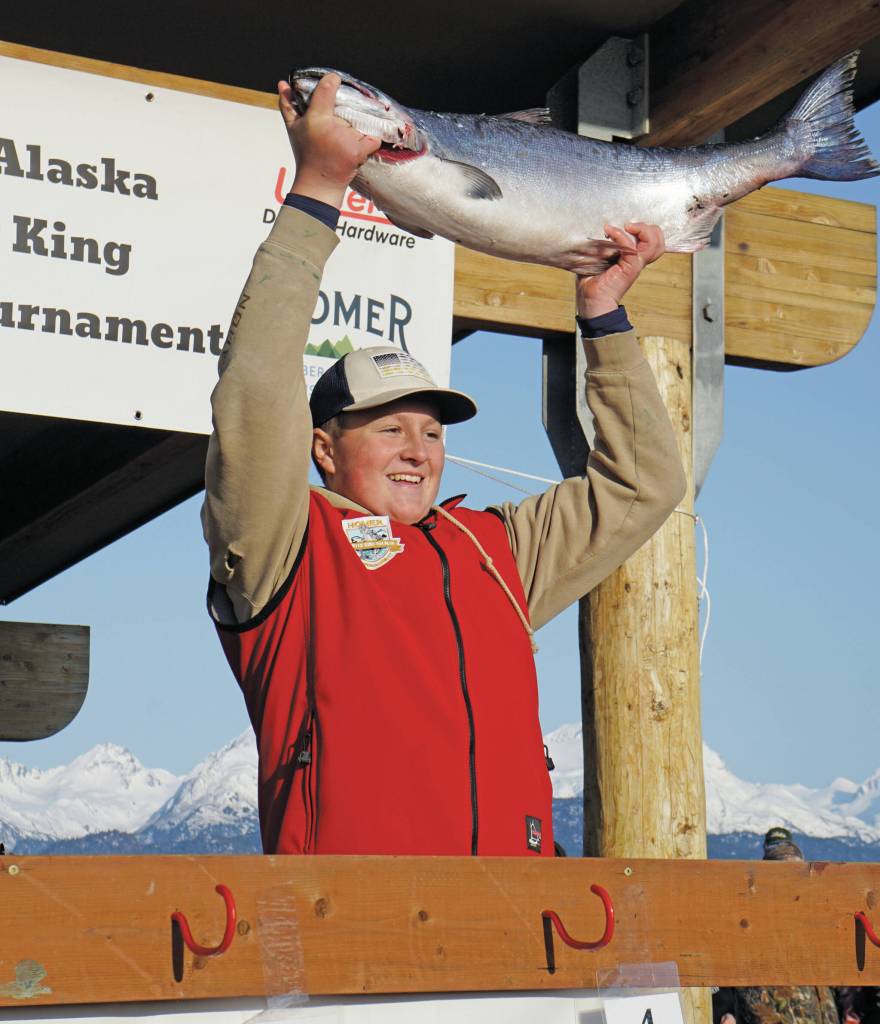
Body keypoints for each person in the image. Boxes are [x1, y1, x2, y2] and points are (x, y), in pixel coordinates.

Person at [201, 72, 686, 856]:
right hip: (351, 935)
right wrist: (320, 190)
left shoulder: (496, 550)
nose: (419, 450)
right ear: (322, 447)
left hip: (517, 929)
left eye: (430, 431)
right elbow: (254, 389)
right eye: (389, 428)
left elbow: (645, 485)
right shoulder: (282, 543)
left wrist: (603, 316)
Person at [713, 828, 841, 1024]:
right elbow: (721, 980)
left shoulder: (816, 922)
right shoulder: (748, 924)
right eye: (783, 873)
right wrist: (726, 1011)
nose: (791, 884)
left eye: (797, 873)